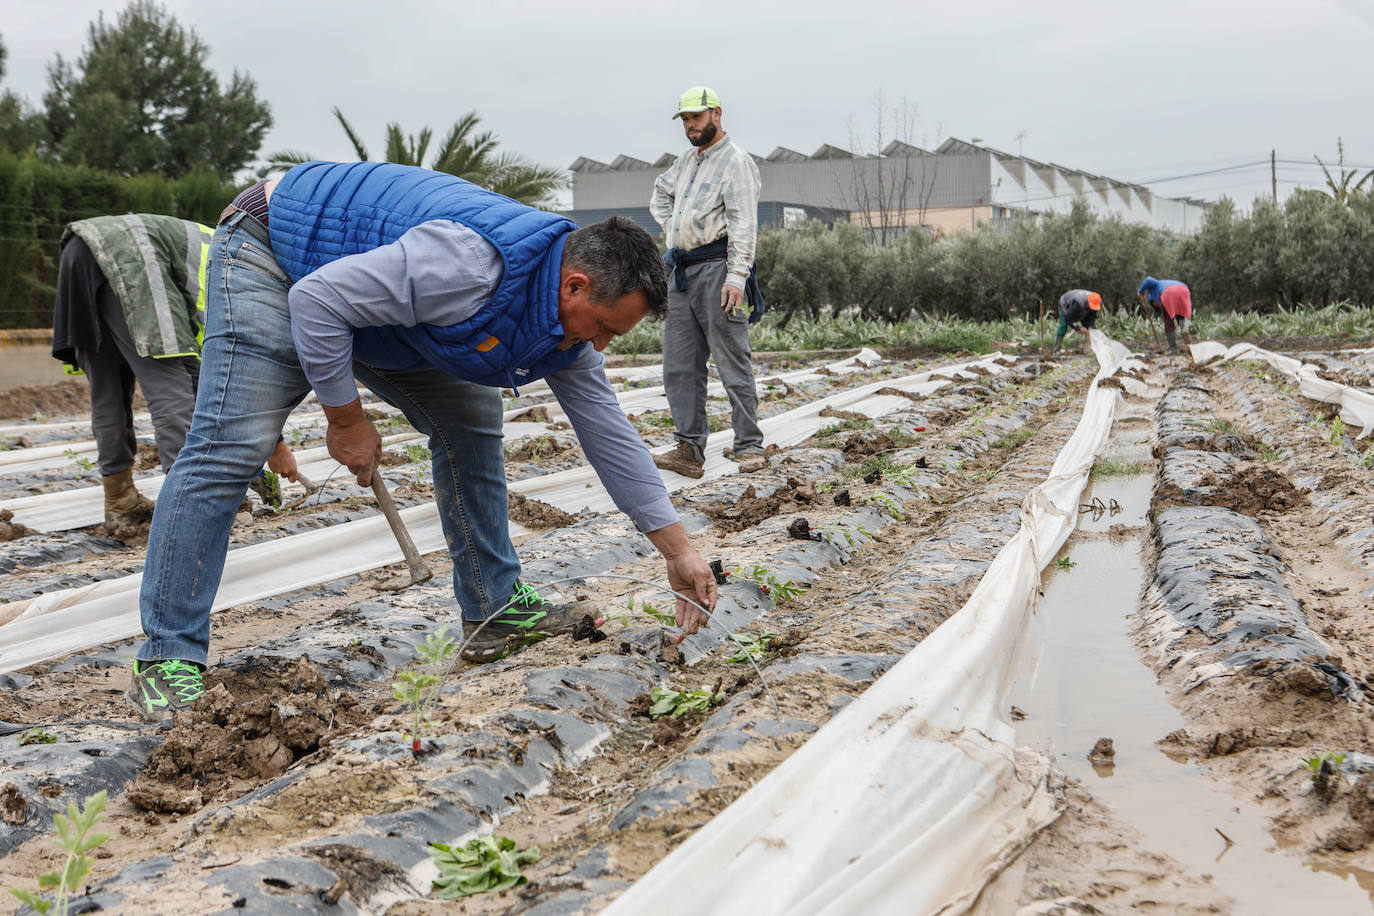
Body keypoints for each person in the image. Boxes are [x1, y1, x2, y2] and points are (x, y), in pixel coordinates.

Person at [127, 161, 719, 722]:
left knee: (470, 420)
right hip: (276, 251)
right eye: (607, 329)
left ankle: (495, 611)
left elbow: (609, 435)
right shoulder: (468, 267)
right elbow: (318, 301)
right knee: (230, 447)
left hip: (369, 291)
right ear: (575, 286)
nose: (602, 347)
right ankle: (167, 657)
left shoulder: (563, 324)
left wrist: (678, 552)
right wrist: (346, 418)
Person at [51, 215, 298, 528]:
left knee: (109, 391)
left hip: (82, 249)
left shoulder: (228, 246)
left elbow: (206, 375)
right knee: (172, 390)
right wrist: (274, 446)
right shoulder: (254, 273)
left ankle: (120, 500)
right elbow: (236, 373)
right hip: (134, 255)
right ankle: (196, 507)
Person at [649, 85, 766, 480]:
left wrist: (737, 277)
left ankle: (749, 444)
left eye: (695, 118)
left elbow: (744, 225)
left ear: (717, 114)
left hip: (719, 270)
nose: (689, 125)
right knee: (679, 364)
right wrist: (674, 229)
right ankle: (689, 448)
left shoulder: (736, 162)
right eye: (684, 119)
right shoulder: (686, 162)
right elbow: (660, 193)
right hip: (681, 274)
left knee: (732, 358)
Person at [1137, 276, 1193, 354]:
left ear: (1153, 300)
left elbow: (1148, 280)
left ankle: (1173, 349)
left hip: (1168, 293)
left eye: (1153, 304)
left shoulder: (1156, 287)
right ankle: (1185, 330)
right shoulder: (1163, 284)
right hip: (1183, 290)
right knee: (1180, 316)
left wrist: (1140, 291)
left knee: (1169, 322)